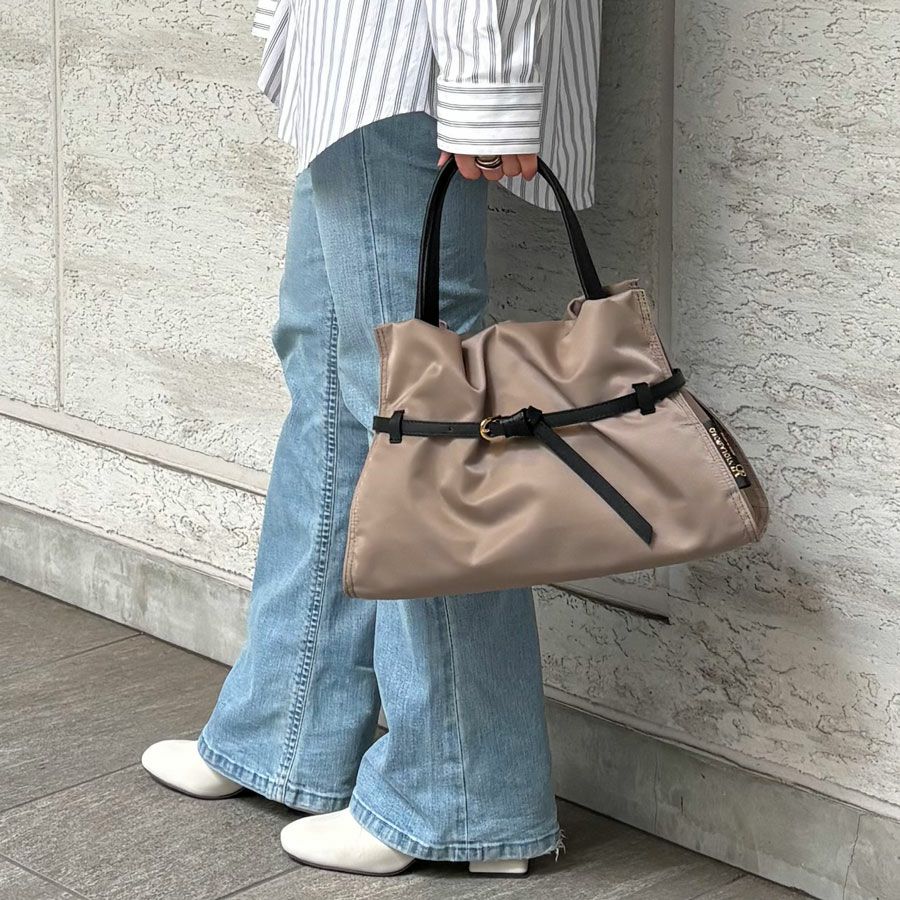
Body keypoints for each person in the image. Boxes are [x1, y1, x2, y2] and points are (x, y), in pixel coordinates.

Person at [141, 0, 601, 878]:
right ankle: (285, 734)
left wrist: (487, 80)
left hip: (404, 60)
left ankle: (461, 795)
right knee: (331, 382)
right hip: (353, 66)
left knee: (428, 418)